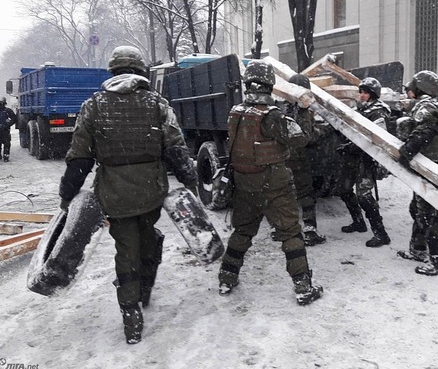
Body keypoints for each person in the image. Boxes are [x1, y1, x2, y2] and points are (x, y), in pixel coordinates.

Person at [58, 46, 198, 344]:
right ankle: (145, 287)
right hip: (151, 190)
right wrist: (189, 180)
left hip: (114, 194)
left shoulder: (94, 105)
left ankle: (131, 313)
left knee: (126, 249)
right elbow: (176, 149)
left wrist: (66, 194)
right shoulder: (157, 104)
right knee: (147, 237)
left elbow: (79, 158)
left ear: (113, 72)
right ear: (140, 71)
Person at [218, 60, 323, 305]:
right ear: (269, 85)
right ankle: (303, 286)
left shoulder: (235, 112)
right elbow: (301, 139)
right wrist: (305, 111)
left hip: (244, 184)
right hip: (274, 186)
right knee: (290, 233)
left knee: (242, 231)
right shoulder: (271, 115)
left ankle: (227, 277)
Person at [397, 71, 438, 276]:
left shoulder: (427, 106)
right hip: (433, 167)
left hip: (435, 168)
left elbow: (426, 131)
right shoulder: (435, 104)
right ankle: (418, 249)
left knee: (431, 216)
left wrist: (406, 152)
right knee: (419, 210)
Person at [336, 77, 392, 247]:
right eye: (361, 92)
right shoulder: (359, 110)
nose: (362, 95)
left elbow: (376, 139)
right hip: (352, 157)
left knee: (364, 196)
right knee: (343, 189)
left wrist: (352, 147)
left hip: (367, 158)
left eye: (366, 92)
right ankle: (359, 222)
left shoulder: (378, 112)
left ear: (373, 94)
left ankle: (381, 233)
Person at [285, 74, 326, 246]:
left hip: (284, 157)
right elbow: (307, 137)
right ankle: (310, 230)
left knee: (284, 194)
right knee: (305, 194)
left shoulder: (283, 107)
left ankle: (283, 230)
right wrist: (320, 132)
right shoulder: (301, 110)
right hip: (299, 157)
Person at [0, 97, 17, 162]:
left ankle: (6, 156)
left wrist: (7, 124)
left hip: (5, 130)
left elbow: (14, 119)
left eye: (1, 103)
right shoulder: (7, 110)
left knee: (6, 144)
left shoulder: (8, 111)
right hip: (4, 130)